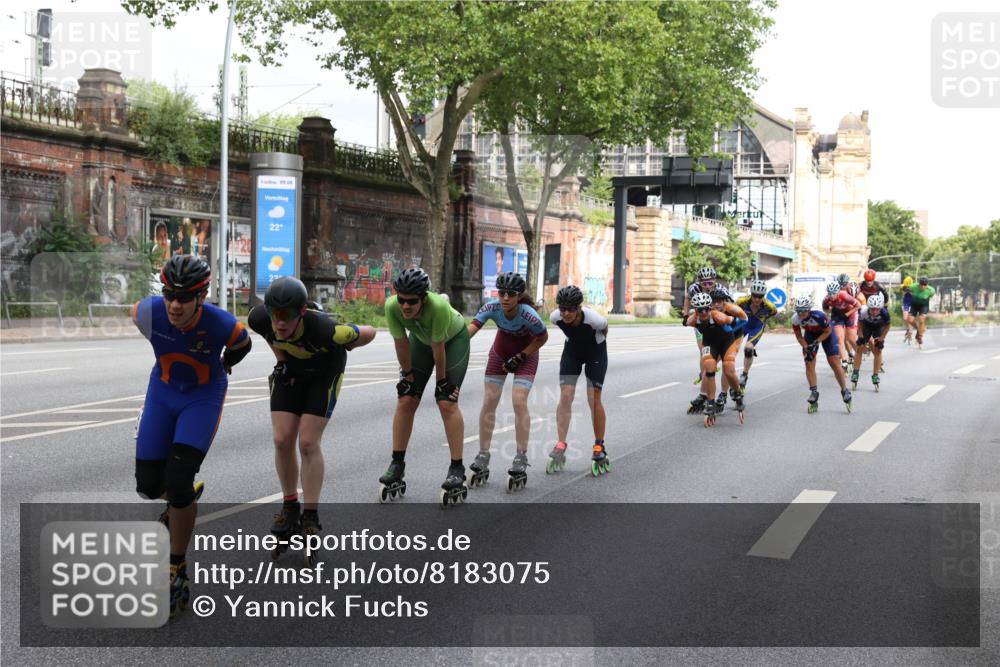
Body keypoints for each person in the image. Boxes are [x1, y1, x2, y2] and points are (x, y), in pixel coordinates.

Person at [131, 255, 252, 617]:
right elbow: (143, 322)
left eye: (184, 298)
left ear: (201, 297)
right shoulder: (146, 312)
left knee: (180, 480)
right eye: (169, 295)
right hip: (163, 391)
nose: (174, 305)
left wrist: (225, 364)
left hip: (202, 397)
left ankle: (176, 566)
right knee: (148, 485)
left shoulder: (222, 324)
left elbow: (242, 345)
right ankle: (180, 500)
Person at [247, 277, 375, 560]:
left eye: (287, 316)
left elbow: (371, 331)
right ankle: (290, 507)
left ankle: (310, 516)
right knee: (281, 440)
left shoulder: (324, 329)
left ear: (302, 311)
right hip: (292, 370)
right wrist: (281, 361)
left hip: (324, 373)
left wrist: (352, 339)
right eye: (275, 315)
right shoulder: (260, 319)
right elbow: (271, 337)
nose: (280, 323)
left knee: (307, 442)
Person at [380, 268, 472, 508]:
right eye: (401, 299)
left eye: (412, 301)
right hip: (420, 343)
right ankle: (396, 464)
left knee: (446, 401)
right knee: (406, 398)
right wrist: (407, 376)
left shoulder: (438, 308)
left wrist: (442, 381)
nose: (405, 306)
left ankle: (457, 468)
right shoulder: (391, 307)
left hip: (452, 342)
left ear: (424, 297)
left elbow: (438, 348)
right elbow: (401, 344)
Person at [467, 272, 548, 492]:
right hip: (500, 352)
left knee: (518, 401)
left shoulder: (529, 315)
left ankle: (520, 457)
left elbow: (543, 337)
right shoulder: (491, 307)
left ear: (519, 296)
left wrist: (521, 356)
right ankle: (483, 455)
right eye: (501, 292)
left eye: (511, 294)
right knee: (489, 401)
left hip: (526, 355)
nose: (505, 298)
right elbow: (469, 332)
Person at [547, 285, 610, 476]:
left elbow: (605, 330)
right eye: (562, 308)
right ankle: (561, 442)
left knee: (593, 397)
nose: (566, 313)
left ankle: (599, 445)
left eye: (571, 309)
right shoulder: (554, 317)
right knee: (566, 396)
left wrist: (593, 346)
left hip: (595, 352)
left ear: (579, 308)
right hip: (572, 352)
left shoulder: (594, 319)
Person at [686, 292, 747, 427]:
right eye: (700, 310)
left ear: (710, 308)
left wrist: (728, 328)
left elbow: (743, 320)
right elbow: (686, 322)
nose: (703, 313)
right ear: (695, 310)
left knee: (729, 369)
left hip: (726, 342)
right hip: (710, 344)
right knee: (709, 368)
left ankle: (737, 394)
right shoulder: (692, 320)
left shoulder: (719, 317)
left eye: (706, 309)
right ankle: (711, 402)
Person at [791, 294, 852, 413]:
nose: (801, 314)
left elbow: (828, 330)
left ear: (809, 309)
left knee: (834, 361)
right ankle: (814, 392)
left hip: (826, 334)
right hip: (810, 334)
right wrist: (806, 346)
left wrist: (817, 342)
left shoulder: (818, 315)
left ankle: (844, 390)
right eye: (799, 311)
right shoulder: (795, 319)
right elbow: (798, 335)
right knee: (808, 361)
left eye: (804, 311)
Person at [684, 266, 721, 413]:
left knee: (709, 354)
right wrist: (685, 314)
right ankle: (704, 372)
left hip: (716, 323)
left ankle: (707, 383)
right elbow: (687, 298)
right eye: (704, 283)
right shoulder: (693, 289)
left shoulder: (719, 291)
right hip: (700, 322)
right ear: (699, 283)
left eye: (710, 283)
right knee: (703, 350)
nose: (707, 286)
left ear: (715, 281)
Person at [735, 279, 778, 390]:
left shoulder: (769, 306)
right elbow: (732, 310)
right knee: (732, 347)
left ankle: (744, 375)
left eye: (760, 296)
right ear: (751, 294)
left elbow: (773, 313)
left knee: (748, 348)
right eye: (755, 296)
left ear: (763, 296)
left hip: (757, 326)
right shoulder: (741, 301)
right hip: (744, 324)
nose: (757, 299)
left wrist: (762, 319)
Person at [851, 293, 891, 391]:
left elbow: (887, 327)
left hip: (879, 327)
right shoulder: (864, 311)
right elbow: (859, 324)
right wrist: (860, 336)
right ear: (869, 307)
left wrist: (881, 339)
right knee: (860, 347)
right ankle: (855, 372)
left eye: (877, 309)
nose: (874, 311)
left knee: (878, 349)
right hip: (867, 326)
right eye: (872, 309)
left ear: (880, 308)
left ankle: (875, 375)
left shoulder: (885, 313)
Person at [823, 281, 861, 372]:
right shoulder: (826, 299)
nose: (832, 296)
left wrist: (847, 314)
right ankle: (844, 361)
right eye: (830, 294)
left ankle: (859, 353)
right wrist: (829, 312)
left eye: (834, 294)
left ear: (838, 292)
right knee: (839, 338)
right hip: (837, 315)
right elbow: (825, 309)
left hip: (850, 313)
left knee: (851, 338)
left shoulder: (844, 295)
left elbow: (858, 306)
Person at [910, 276, 936, 347]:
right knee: (910, 320)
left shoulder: (931, 291)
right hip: (914, 304)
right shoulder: (913, 286)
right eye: (921, 284)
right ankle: (919, 330)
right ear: (919, 284)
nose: (922, 286)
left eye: (925, 285)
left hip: (924, 305)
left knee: (921, 320)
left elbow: (931, 297)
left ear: (927, 285)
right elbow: (906, 290)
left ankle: (920, 336)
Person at [900, 276, 915, 344]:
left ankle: (910, 333)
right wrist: (905, 289)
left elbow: (915, 294)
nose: (907, 287)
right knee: (905, 318)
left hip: (912, 304)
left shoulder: (914, 287)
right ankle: (908, 329)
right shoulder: (903, 287)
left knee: (910, 319)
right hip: (906, 304)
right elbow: (903, 292)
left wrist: (911, 291)